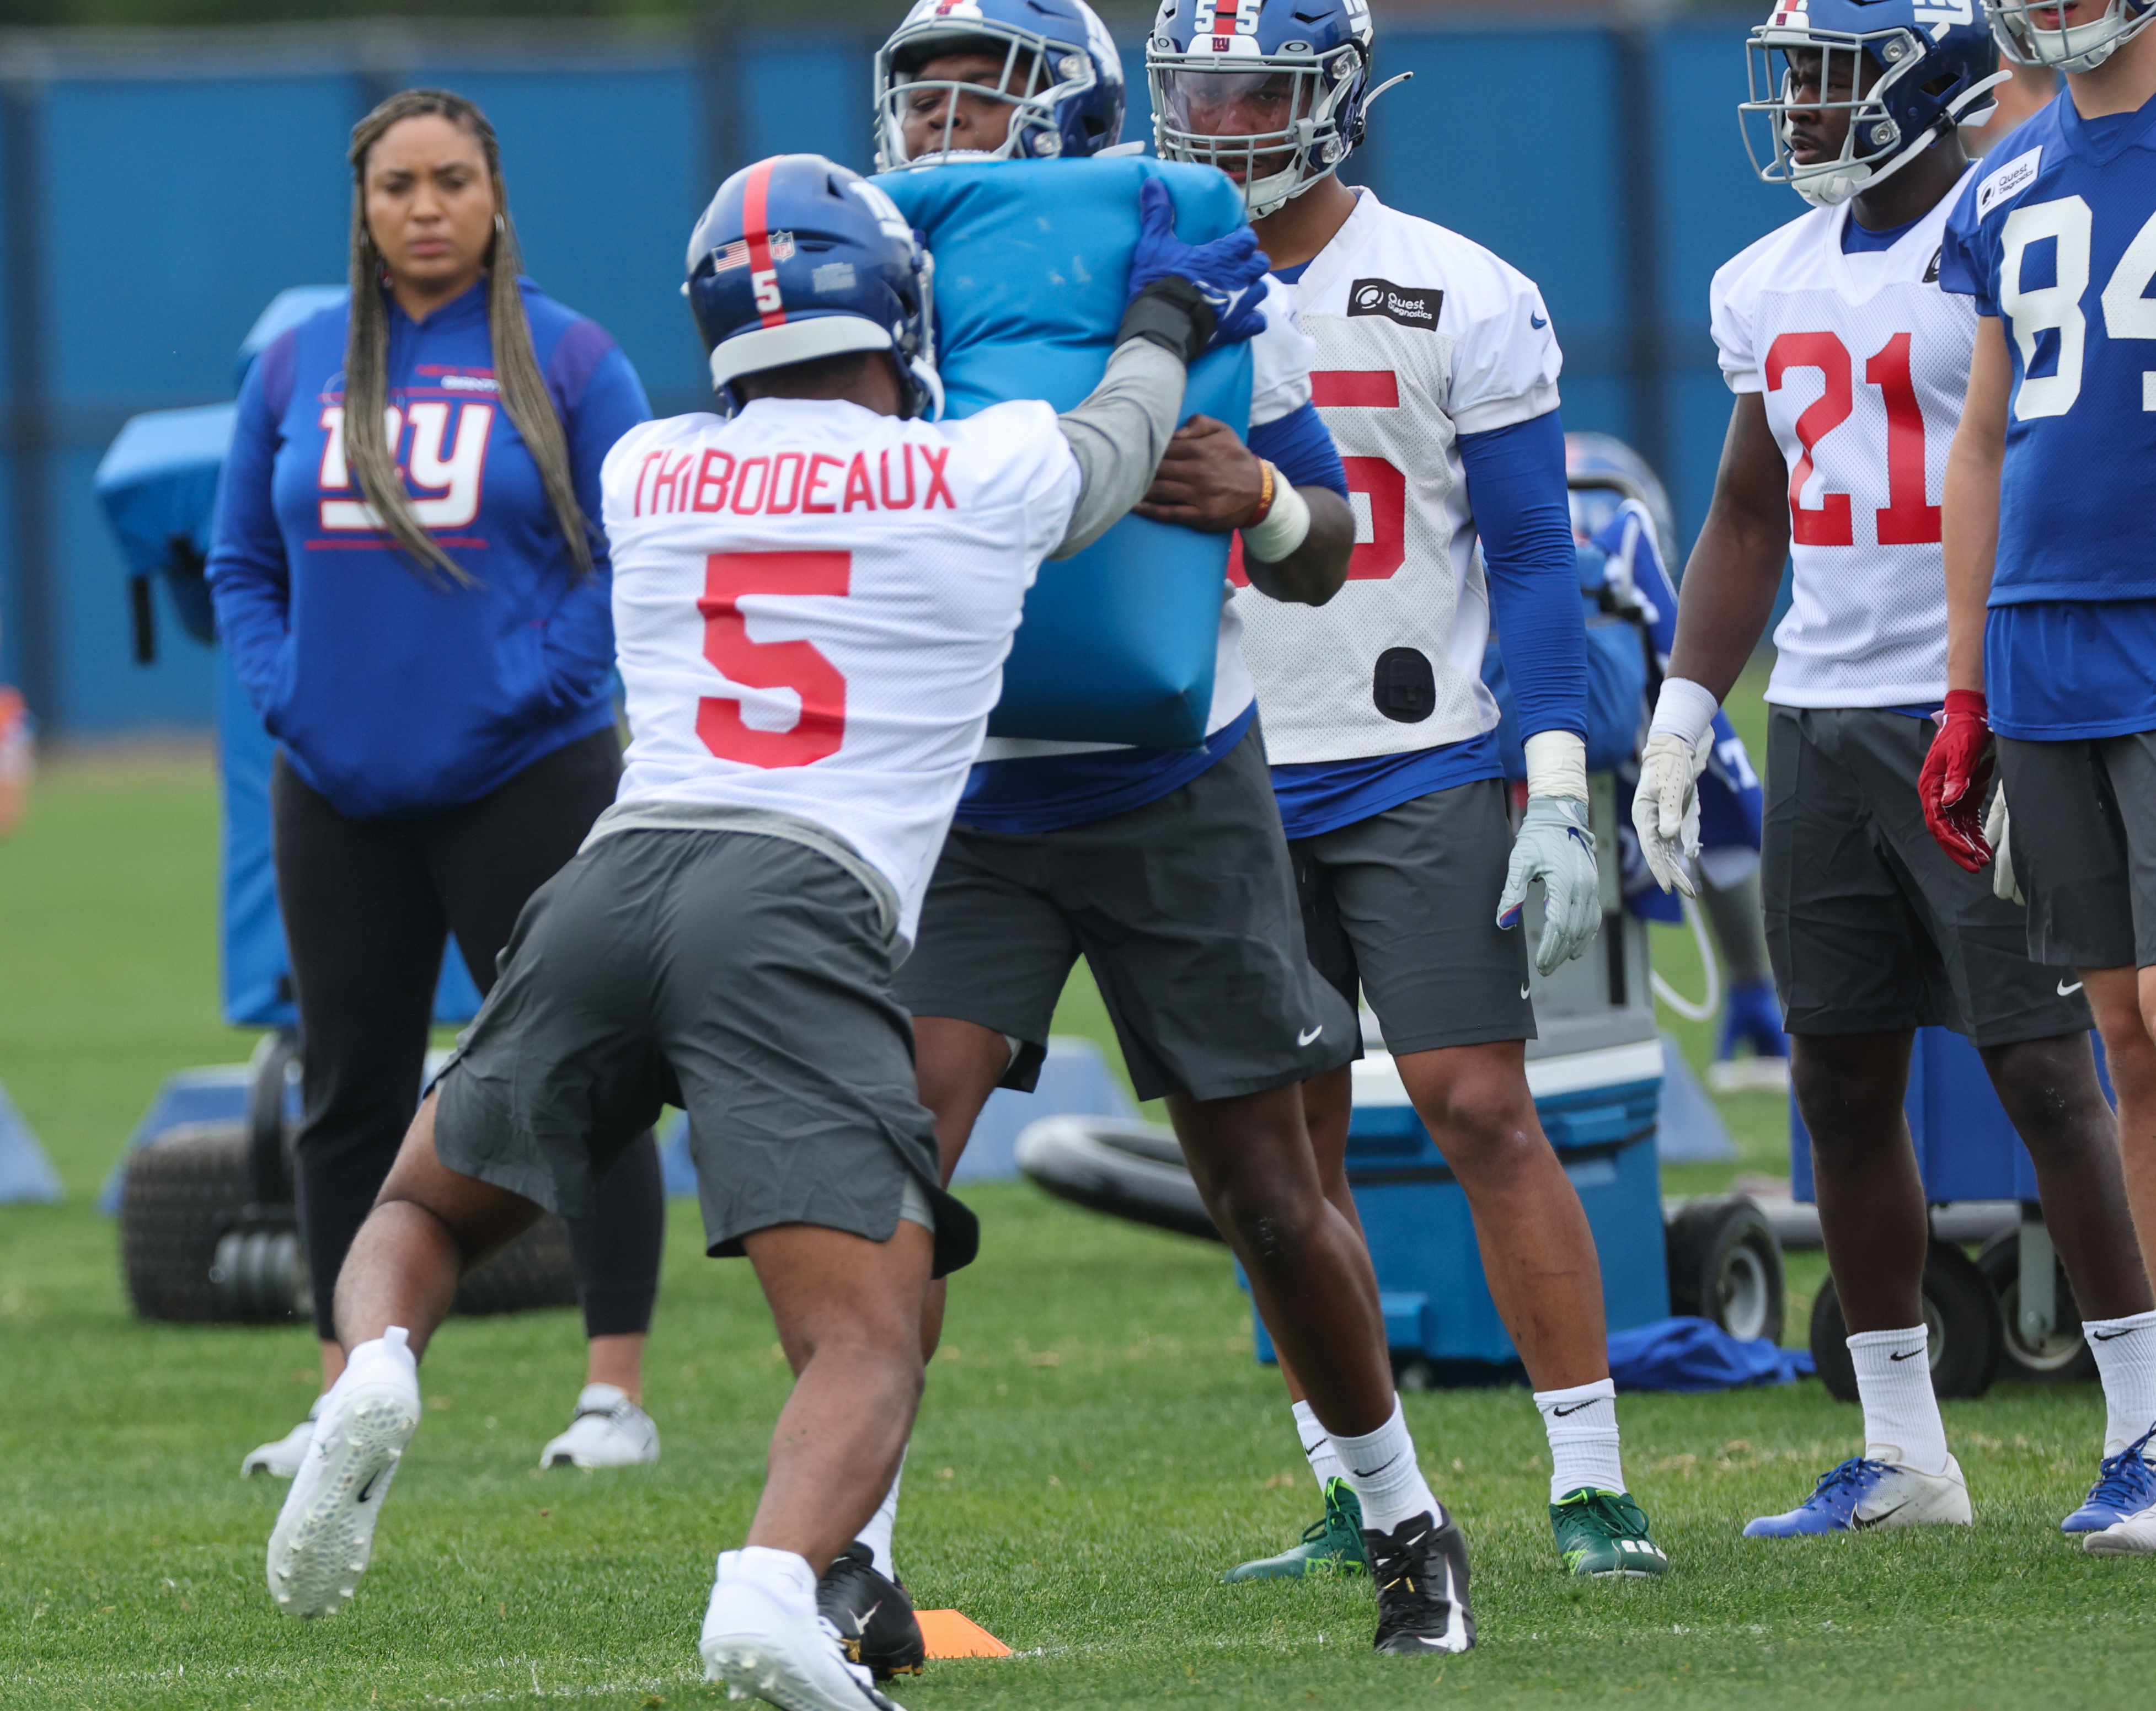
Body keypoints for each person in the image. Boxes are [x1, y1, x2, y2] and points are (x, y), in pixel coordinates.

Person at [263, 149, 1274, 1710]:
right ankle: (766, 1584)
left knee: (424, 1202)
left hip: (617, 870)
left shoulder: (651, 466)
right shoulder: (974, 465)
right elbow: (1118, 444)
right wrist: (1159, 316)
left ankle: (381, 1367)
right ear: (888, 305)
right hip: (796, 901)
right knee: (865, 1335)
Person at [858, 0, 1479, 1664]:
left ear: (1060, 109)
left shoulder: (1195, 265)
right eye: (916, 93)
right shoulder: (874, 286)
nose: (934, 123)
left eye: (970, 90)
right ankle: (853, 1551)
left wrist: (1261, 504)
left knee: (1268, 1194)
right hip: (968, 789)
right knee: (889, 1164)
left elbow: (1326, 541)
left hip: (1165, 782)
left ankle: (1405, 1515)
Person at [1148, 0, 1671, 1582]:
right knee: (1276, 1158)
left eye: (1257, 90)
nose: (1225, 120)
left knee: (1476, 1103)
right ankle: (1361, 1489)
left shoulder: (1456, 283)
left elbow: (1527, 553)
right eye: (1197, 89)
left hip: (1419, 750)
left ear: (1337, 99)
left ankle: (1589, 1478)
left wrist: (1555, 768)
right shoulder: (1146, 283)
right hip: (1222, 762)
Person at [1638, 0, 2156, 1539]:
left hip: (1996, 692)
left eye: (1827, 76)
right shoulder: (1762, 276)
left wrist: (1975, 685)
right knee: (1836, 1073)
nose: (1796, 107)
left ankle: (2136, 1419)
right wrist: (1682, 705)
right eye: (1787, 77)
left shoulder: (2001, 213)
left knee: (2049, 1067)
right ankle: (1899, 1445)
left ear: (1926, 79)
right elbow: (1745, 511)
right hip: (1824, 708)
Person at [206, 88, 668, 1477]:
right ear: (362, 204)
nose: (424, 207)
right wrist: (289, 698)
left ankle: (612, 1395)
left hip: (525, 774)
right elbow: (241, 561)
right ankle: (351, 1388)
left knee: (582, 1066)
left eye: (451, 181)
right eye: (397, 183)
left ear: (494, 195)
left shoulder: (573, 358)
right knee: (346, 1087)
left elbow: (634, 548)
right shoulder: (294, 364)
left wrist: (540, 685)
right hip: (334, 785)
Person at [1920, 0, 2156, 1554]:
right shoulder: (2001, 179)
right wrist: (1959, 681)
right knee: (2126, 1036)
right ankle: (2148, 1424)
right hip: (2041, 637)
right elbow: (1986, 434)